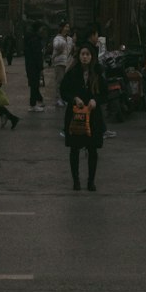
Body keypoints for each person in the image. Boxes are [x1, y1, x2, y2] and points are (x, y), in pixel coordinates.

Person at [60, 44, 107, 191]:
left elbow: (105, 94)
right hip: (75, 116)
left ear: (92, 57)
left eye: (87, 54)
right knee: (74, 148)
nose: (85, 57)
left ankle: (91, 181)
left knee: (92, 149)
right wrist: (74, 98)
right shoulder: (72, 72)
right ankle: (76, 180)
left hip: (93, 117)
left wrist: (95, 100)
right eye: (82, 54)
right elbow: (64, 91)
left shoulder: (98, 73)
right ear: (79, 56)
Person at [51, 22, 74, 106]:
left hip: (67, 62)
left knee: (66, 82)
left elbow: (71, 49)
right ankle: (58, 99)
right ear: (61, 28)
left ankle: (65, 98)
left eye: (68, 27)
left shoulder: (69, 39)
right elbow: (56, 46)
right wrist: (63, 42)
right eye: (65, 27)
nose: (67, 28)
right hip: (59, 62)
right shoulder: (57, 38)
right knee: (59, 81)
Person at [24, 23, 45, 111]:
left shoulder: (30, 39)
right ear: (38, 29)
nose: (42, 31)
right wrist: (41, 67)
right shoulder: (35, 40)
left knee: (34, 84)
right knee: (34, 85)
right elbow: (37, 56)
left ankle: (39, 100)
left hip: (29, 65)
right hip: (34, 66)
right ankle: (33, 105)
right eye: (41, 29)